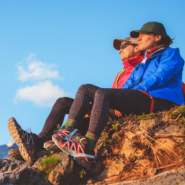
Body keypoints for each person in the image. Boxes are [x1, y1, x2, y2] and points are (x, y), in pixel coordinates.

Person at [51, 21, 184, 169]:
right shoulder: (143, 63)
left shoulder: (171, 54)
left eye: (143, 34)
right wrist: (120, 99)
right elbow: (127, 86)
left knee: (104, 93)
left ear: (158, 37)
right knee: (86, 88)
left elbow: (160, 78)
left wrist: (127, 95)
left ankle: (87, 149)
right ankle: (67, 131)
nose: (139, 38)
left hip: (158, 101)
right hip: (141, 96)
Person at [8, 36, 145, 162]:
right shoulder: (121, 73)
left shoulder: (143, 67)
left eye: (123, 46)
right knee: (62, 102)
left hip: (116, 110)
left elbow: (137, 95)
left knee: (81, 124)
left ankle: (34, 144)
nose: (119, 50)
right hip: (103, 104)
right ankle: (36, 141)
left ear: (137, 47)